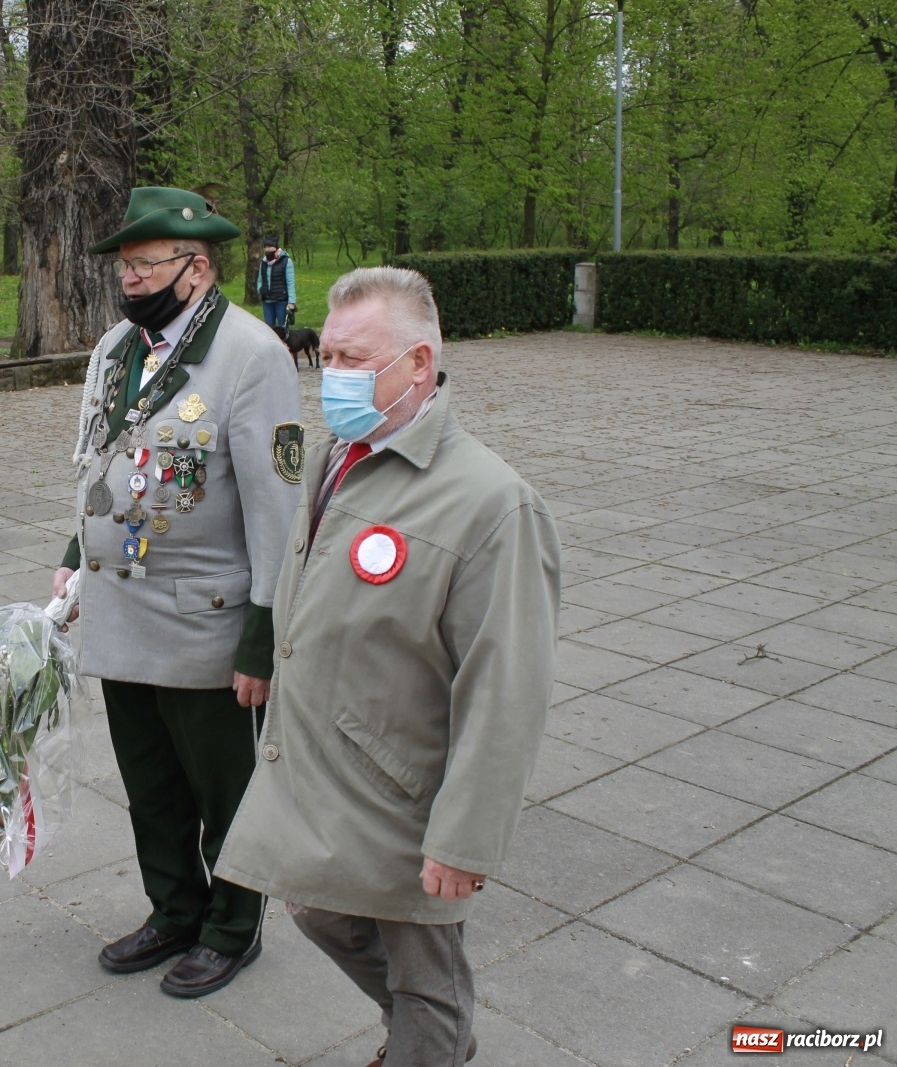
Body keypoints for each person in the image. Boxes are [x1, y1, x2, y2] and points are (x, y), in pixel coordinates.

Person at [216, 266, 561, 1066]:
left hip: (409, 792)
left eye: (353, 360)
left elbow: (506, 687)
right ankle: (427, 1034)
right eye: (327, 355)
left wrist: (466, 838)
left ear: (418, 363)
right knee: (316, 909)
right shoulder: (342, 452)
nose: (330, 375)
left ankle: (427, 1041)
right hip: (327, 767)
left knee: (424, 980)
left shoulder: (491, 503)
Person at [52, 186, 302, 998]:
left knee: (222, 792)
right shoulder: (115, 348)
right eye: (124, 263)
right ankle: (173, 908)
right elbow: (101, 462)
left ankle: (233, 927)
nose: (128, 277)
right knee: (151, 786)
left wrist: (264, 638)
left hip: (208, 622)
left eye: (145, 263)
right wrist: (73, 550)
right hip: (122, 607)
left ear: (195, 268)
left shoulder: (251, 353)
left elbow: (277, 508)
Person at [256, 236, 296, 331]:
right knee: (269, 330)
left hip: (281, 301)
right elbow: (260, 280)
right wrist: (260, 290)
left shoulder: (286, 261)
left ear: (276, 247)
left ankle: (285, 345)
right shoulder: (263, 262)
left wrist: (291, 302)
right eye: (265, 246)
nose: (267, 249)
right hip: (267, 301)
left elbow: (290, 282)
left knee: (283, 329)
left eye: (270, 246)